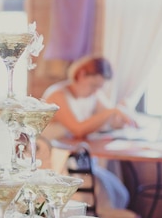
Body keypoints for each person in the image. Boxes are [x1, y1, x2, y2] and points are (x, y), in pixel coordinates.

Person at [42, 55, 137, 209]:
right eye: (93, 85)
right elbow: (77, 129)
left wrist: (123, 111)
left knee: (119, 191)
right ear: (80, 75)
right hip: (56, 161)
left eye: (99, 87)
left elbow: (112, 121)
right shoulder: (57, 95)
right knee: (98, 193)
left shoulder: (93, 95)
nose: (95, 91)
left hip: (78, 158)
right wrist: (112, 111)